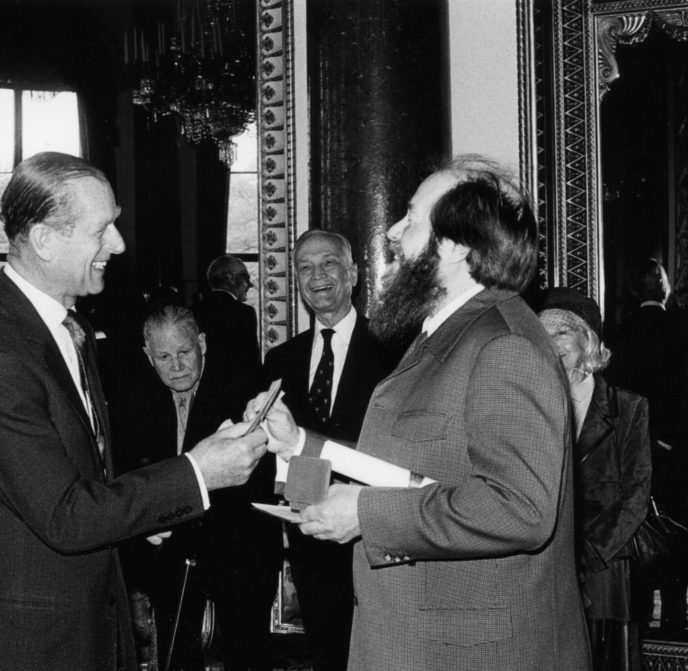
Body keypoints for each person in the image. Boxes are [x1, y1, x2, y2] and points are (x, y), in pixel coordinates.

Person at [250, 156, 590, 669]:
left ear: (454, 244)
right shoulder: (449, 332)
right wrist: (300, 443)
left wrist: (364, 514)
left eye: (411, 218)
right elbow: (413, 471)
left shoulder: (505, 345)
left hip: (473, 652)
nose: (391, 232)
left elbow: (520, 509)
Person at [0, 151, 268, 670]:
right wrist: (198, 473)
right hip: (31, 645)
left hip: (86, 625)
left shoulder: (69, 329)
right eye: (103, 229)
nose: (119, 244)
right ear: (45, 239)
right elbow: (65, 514)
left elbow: (88, 481)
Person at [261, 229, 397, 671]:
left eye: (329, 264)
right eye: (305, 267)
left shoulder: (394, 352)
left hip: (374, 535)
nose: (317, 276)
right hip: (312, 542)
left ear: (353, 274)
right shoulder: (280, 361)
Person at [117, 305, 278, 671]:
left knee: (245, 658)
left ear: (201, 343)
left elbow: (254, 480)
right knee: (176, 657)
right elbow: (129, 477)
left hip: (236, 546)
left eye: (184, 352)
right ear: (148, 356)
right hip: (170, 554)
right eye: (163, 356)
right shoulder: (133, 396)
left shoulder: (243, 388)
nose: (176, 366)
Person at [537, 287, 652, 671]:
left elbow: (636, 495)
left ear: (588, 340)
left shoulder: (628, 408)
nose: (551, 345)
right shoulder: (532, 408)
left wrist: (585, 552)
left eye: (562, 333)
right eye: (543, 335)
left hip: (607, 573)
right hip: (549, 568)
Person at [605, 258, 688, 632]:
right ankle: (674, 609)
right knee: (677, 525)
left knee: (638, 523)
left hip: (631, 447)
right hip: (677, 447)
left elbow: (613, 397)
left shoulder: (617, 333)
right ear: (663, 286)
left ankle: (638, 614)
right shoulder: (683, 329)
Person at [192, 255, 261, 379]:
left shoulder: (192, 311)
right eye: (246, 277)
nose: (249, 285)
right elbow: (251, 364)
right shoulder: (244, 313)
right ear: (231, 278)